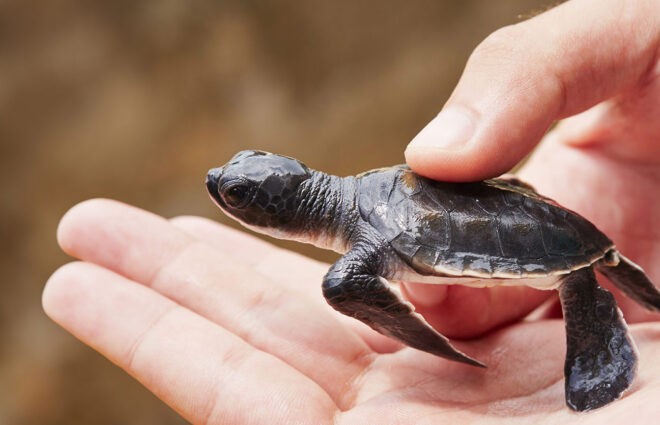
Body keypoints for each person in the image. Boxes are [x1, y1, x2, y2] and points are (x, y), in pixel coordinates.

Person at [43, 0, 660, 423]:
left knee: (345, 282)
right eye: (232, 187)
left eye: (232, 194)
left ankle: (594, 315)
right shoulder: (369, 190)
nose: (218, 183)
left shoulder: (360, 243)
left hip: (551, 246)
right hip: (550, 229)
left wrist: (437, 347)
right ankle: (599, 283)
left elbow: (353, 279)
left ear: (277, 215)